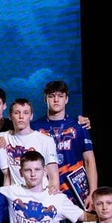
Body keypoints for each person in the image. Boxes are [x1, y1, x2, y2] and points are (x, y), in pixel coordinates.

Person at [31, 80, 97, 209]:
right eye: (51, 96)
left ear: (66, 99)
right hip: (46, 192)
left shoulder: (79, 126)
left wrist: (93, 192)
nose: (56, 100)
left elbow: (89, 161)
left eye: (60, 96)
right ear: (45, 99)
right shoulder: (35, 128)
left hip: (76, 193)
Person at [0, 98, 60, 191]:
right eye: (17, 113)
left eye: (25, 113)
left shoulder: (46, 140)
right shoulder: (5, 137)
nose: (21, 116)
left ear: (31, 116)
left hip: (40, 193)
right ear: (10, 116)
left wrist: (51, 196)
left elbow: (54, 178)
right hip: (17, 195)